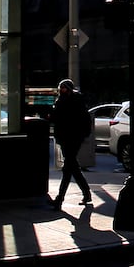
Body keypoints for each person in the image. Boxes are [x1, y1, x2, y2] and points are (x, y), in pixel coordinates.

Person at [50, 78, 92, 208]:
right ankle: (86, 193)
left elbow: (84, 120)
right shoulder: (63, 101)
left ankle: (59, 199)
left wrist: (83, 134)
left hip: (72, 138)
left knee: (68, 168)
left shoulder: (75, 101)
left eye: (64, 88)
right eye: (61, 88)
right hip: (66, 138)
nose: (62, 91)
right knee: (72, 167)